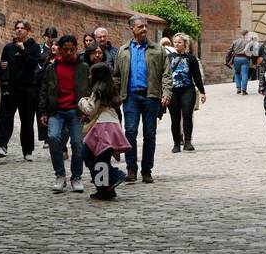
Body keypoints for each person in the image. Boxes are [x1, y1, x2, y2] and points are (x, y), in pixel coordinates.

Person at [114, 15, 173, 183]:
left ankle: (147, 170)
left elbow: (166, 74)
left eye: (146, 26)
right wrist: (116, 96)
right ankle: (131, 169)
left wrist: (167, 93)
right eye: (140, 27)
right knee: (130, 132)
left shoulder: (157, 49)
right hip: (131, 97)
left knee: (149, 134)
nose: (145, 29)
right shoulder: (123, 51)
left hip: (150, 96)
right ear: (131, 29)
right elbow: (116, 76)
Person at [38, 34, 90, 193]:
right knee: (53, 138)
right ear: (59, 50)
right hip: (56, 110)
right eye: (65, 50)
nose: (68, 53)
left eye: (72, 50)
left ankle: (76, 177)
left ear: (76, 49)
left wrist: (87, 110)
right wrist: (43, 111)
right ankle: (60, 175)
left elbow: (88, 90)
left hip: (76, 111)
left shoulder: (83, 67)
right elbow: (44, 91)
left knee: (77, 143)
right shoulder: (51, 68)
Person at [79, 63, 131, 202]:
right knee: (102, 159)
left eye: (91, 74)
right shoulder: (112, 90)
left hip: (101, 128)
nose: (89, 76)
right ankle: (107, 190)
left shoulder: (97, 91)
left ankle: (114, 175)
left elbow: (91, 109)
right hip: (112, 126)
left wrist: (82, 101)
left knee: (88, 155)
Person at [0, 19, 42, 161]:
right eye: (17, 28)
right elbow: (3, 67)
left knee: (27, 121)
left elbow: (34, 64)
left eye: (22, 28)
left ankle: (27, 151)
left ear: (28, 30)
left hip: (28, 88)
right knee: (5, 117)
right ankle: (2, 146)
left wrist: (23, 51)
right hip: (11, 87)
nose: (19, 30)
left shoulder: (34, 47)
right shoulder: (8, 48)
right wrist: (1, 67)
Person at [167, 32, 206, 152]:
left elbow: (197, 76)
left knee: (187, 115)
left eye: (179, 42)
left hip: (187, 90)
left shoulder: (191, 58)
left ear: (185, 44)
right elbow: (164, 75)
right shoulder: (169, 58)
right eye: (175, 42)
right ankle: (176, 143)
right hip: (173, 90)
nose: (177, 44)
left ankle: (188, 141)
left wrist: (202, 92)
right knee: (175, 118)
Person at [37, 26, 59, 146]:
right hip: (42, 81)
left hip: (55, 84)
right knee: (43, 110)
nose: (50, 39)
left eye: (52, 37)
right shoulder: (40, 49)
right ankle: (45, 136)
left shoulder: (59, 48)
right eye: (48, 36)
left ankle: (52, 136)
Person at [226, 29, 252, 94]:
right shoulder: (249, 42)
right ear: (246, 34)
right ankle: (244, 90)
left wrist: (227, 60)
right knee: (244, 74)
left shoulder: (235, 41)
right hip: (245, 59)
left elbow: (229, 51)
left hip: (236, 58)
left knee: (237, 73)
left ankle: (238, 89)